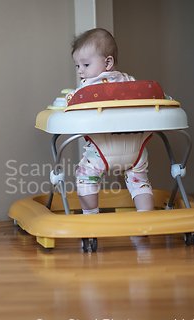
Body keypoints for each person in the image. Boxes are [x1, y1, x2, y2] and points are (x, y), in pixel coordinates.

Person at [66, 28, 155, 214]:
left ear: (108, 62)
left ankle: (91, 217)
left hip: (101, 152)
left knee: (85, 178)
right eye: (77, 66)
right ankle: (145, 221)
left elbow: (71, 108)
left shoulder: (85, 91)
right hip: (135, 151)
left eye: (86, 65)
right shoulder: (131, 83)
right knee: (140, 182)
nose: (80, 71)